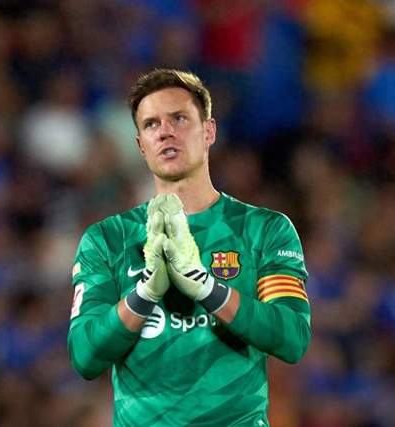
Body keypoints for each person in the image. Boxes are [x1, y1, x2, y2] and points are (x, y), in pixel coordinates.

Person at [67, 68, 311, 426]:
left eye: (179, 118)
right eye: (151, 124)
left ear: (209, 131)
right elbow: (85, 356)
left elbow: (292, 338)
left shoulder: (264, 230)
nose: (165, 131)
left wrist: (207, 288)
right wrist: (145, 295)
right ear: (141, 145)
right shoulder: (107, 239)